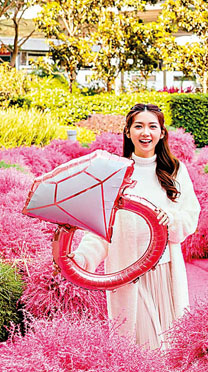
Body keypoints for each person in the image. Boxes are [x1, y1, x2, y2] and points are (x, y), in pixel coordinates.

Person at [73, 103, 200, 350]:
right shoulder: (115, 173)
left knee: (168, 342)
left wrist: (170, 220)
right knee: (137, 343)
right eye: (138, 126)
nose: (146, 133)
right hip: (127, 272)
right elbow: (100, 229)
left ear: (162, 133)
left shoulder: (175, 170)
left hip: (164, 269)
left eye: (153, 126)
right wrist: (81, 258)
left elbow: (190, 215)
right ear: (128, 132)